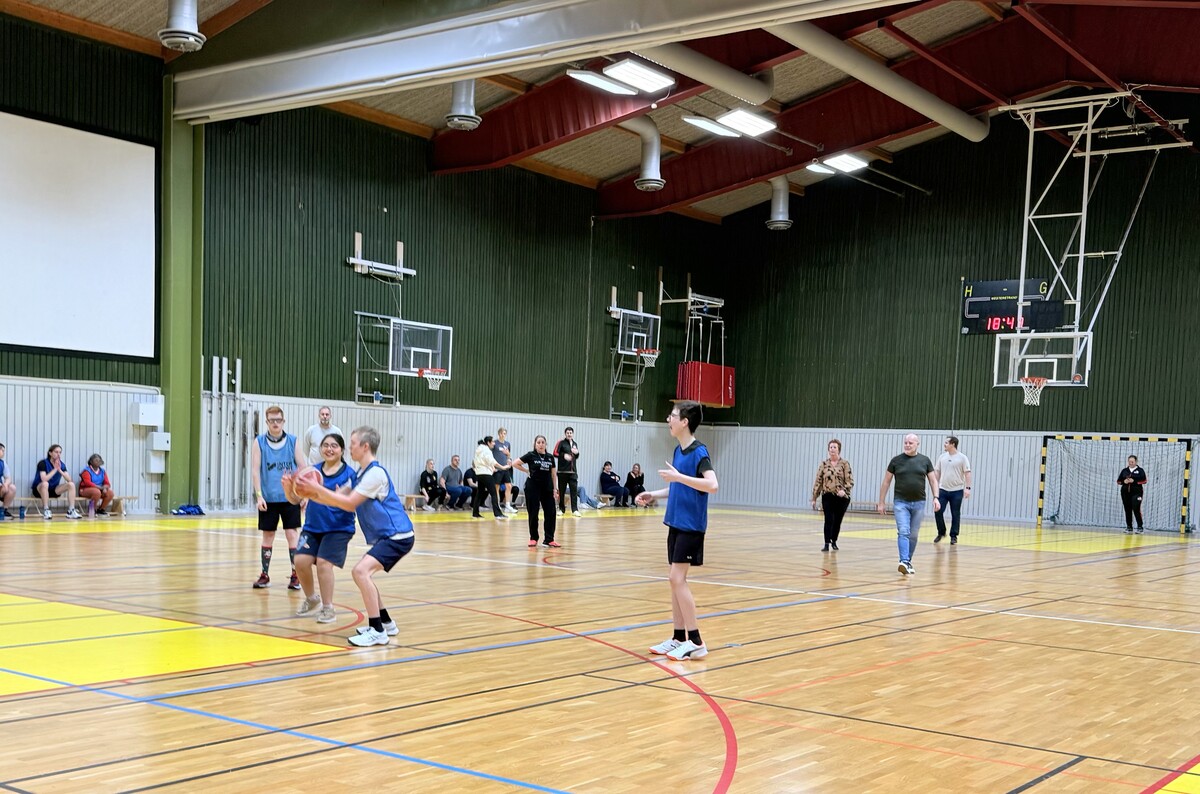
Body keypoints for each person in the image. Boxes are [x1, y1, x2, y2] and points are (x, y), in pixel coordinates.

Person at [291, 426, 414, 647]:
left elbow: (348, 504)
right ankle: (386, 623)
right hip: (390, 536)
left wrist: (315, 488)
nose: (350, 448)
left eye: (353, 444)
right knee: (364, 574)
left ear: (365, 446)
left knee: (360, 572)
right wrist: (307, 491)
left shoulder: (374, 474)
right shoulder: (360, 474)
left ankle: (377, 631)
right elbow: (335, 498)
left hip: (398, 535)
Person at [636, 401, 719, 662]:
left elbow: (712, 485)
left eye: (672, 416)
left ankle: (696, 642)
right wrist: (653, 494)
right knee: (674, 581)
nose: (668, 420)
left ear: (685, 422)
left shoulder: (699, 452)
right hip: (675, 522)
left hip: (691, 526)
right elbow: (678, 487)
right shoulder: (677, 451)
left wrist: (679, 478)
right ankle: (679, 638)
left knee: (677, 578)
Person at [284, 432, 355, 625]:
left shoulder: (350, 475)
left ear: (342, 450)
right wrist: (289, 489)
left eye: (334, 446)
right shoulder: (311, 472)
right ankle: (311, 598)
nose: (329, 449)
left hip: (338, 529)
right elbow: (295, 500)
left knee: (324, 564)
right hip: (313, 527)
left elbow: (348, 502)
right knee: (300, 561)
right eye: (326, 445)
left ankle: (328, 608)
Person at [250, 406, 307, 590]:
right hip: (269, 498)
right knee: (268, 535)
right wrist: (259, 496)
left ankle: (296, 575)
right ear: (267, 422)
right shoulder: (259, 442)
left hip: (290, 497)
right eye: (272, 420)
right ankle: (265, 575)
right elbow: (255, 471)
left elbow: (303, 468)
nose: (275, 423)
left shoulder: (293, 441)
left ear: (284, 421)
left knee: (292, 534)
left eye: (278, 420)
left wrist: (304, 494)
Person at [878, 434, 940, 576]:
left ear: (917, 444)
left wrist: (936, 498)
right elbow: (886, 481)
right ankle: (904, 561)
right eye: (905, 442)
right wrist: (881, 502)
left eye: (910, 443)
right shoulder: (896, 461)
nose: (907, 445)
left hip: (919, 503)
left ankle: (907, 561)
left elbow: (933, 481)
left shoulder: (925, 461)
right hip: (901, 502)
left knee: (913, 535)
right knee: (903, 531)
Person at [513, 435, 559, 548]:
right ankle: (533, 538)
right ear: (535, 444)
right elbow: (515, 463)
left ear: (546, 444)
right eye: (538, 442)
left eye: (543, 442)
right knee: (533, 512)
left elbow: (553, 474)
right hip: (533, 487)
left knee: (551, 513)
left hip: (547, 488)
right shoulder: (531, 455)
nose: (541, 444)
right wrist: (526, 470)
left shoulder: (550, 457)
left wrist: (555, 489)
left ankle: (549, 539)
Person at [811, 439, 853, 552]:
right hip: (828, 495)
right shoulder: (824, 464)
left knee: (837, 520)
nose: (832, 449)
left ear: (839, 449)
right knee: (828, 519)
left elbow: (850, 480)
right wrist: (814, 497)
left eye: (835, 447)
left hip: (841, 497)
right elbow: (818, 481)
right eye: (831, 447)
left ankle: (834, 540)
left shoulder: (844, 464)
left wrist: (844, 490)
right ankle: (826, 543)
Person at [933, 436, 972, 545]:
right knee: (937, 510)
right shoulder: (942, 457)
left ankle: (954, 536)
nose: (944, 444)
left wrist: (968, 488)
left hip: (957, 491)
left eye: (946, 442)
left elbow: (967, 473)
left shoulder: (962, 458)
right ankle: (941, 532)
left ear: (953, 444)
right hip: (943, 490)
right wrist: (934, 486)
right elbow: (937, 472)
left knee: (955, 513)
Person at [32, 444, 82, 520]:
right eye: (56, 452)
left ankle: (71, 510)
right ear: (50, 453)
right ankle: (46, 510)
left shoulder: (62, 465)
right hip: (39, 490)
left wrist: (60, 470)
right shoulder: (43, 463)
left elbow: (69, 480)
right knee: (45, 484)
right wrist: (55, 469)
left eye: (60, 452)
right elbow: (44, 479)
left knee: (71, 484)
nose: (58, 454)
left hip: (54, 490)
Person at [471, 436, 505, 519]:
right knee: (494, 493)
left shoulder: (478, 450)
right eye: (492, 442)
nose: (494, 443)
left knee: (479, 493)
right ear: (488, 443)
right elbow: (492, 461)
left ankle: (475, 513)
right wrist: (502, 467)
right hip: (486, 474)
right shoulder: (486, 450)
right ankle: (498, 514)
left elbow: (476, 462)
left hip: (479, 474)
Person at [555, 427, 581, 516]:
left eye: (570, 433)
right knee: (561, 491)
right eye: (567, 433)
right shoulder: (561, 443)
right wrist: (563, 455)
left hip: (573, 472)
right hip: (562, 472)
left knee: (574, 491)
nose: (569, 434)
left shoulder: (575, 444)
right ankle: (561, 509)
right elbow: (555, 453)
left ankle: (575, 510)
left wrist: (577, 453)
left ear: (573, 434)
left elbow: (576, 457)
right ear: (565, 434)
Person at [1118, 455, 1147, 533]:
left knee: (1136, 508)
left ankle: (1140, 527)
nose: (1130, 463)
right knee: (1127, 509)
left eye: (1132, 462)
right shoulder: (1124, 470)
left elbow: (1144, 481)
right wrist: (1124, 481)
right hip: (1125, 493)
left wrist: (1134, 481)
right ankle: (1129, 527)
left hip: (1137, 493)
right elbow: (1119, 481)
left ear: (1136, 462)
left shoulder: (1140, 470)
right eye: (1129, 461)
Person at [493, 427, 517, 514]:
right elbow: (491, 455)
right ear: (499, 434)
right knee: (497, 487)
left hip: (506, 468)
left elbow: (508, 455)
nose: (503, 435)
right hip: (497, 468)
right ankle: (497, 505)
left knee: (509, 486)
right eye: (502, 433)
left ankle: (507, 505)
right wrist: (492, 466)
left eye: (504, 433)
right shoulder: (494, 443)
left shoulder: (507, 444)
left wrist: (508, 456)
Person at [0, 443, 15, 519]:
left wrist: (5, 484)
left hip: (1, 488)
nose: (3, 453)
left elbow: (8, 477)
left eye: (4, 451)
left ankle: (3, 510)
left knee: (12, 487)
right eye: (2, 450)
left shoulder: (3, 463)